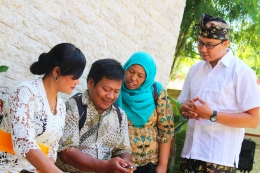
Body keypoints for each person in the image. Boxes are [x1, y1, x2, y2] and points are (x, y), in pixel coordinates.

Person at [178, 13, 260, 173]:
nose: (202, 49)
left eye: (209, 44)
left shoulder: (242, 72)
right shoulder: (195, 70)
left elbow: (253, 120)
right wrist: (185, 109)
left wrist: (212, 115)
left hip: (219, 161)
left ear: (225, 43)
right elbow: (182, 106)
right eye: (200, 42)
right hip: (189, 155)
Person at [0, 43, 86, 173]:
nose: (78, 82)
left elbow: (51, 149)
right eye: (75, 77)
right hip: (7, 166)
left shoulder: (61, 106)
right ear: (57, 71)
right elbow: (24, 142)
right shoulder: (25, 92)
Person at [56, 59, 135, 173]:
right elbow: (66, 152)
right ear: (91, 83)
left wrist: (125, 164)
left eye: (116, 91)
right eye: (106, 89)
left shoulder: (120, 115)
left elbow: (123, 149)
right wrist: (104, 166)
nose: (111, 96)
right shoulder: (73, 107)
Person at [115, 52, 175, 173]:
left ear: (147, 78)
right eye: (131, 71)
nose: (133, 78)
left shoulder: (157, 92)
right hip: (120, 162)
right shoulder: (116, 89)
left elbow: (166, 132)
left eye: (140, 75)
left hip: (149, 164)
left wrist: (162, 166)